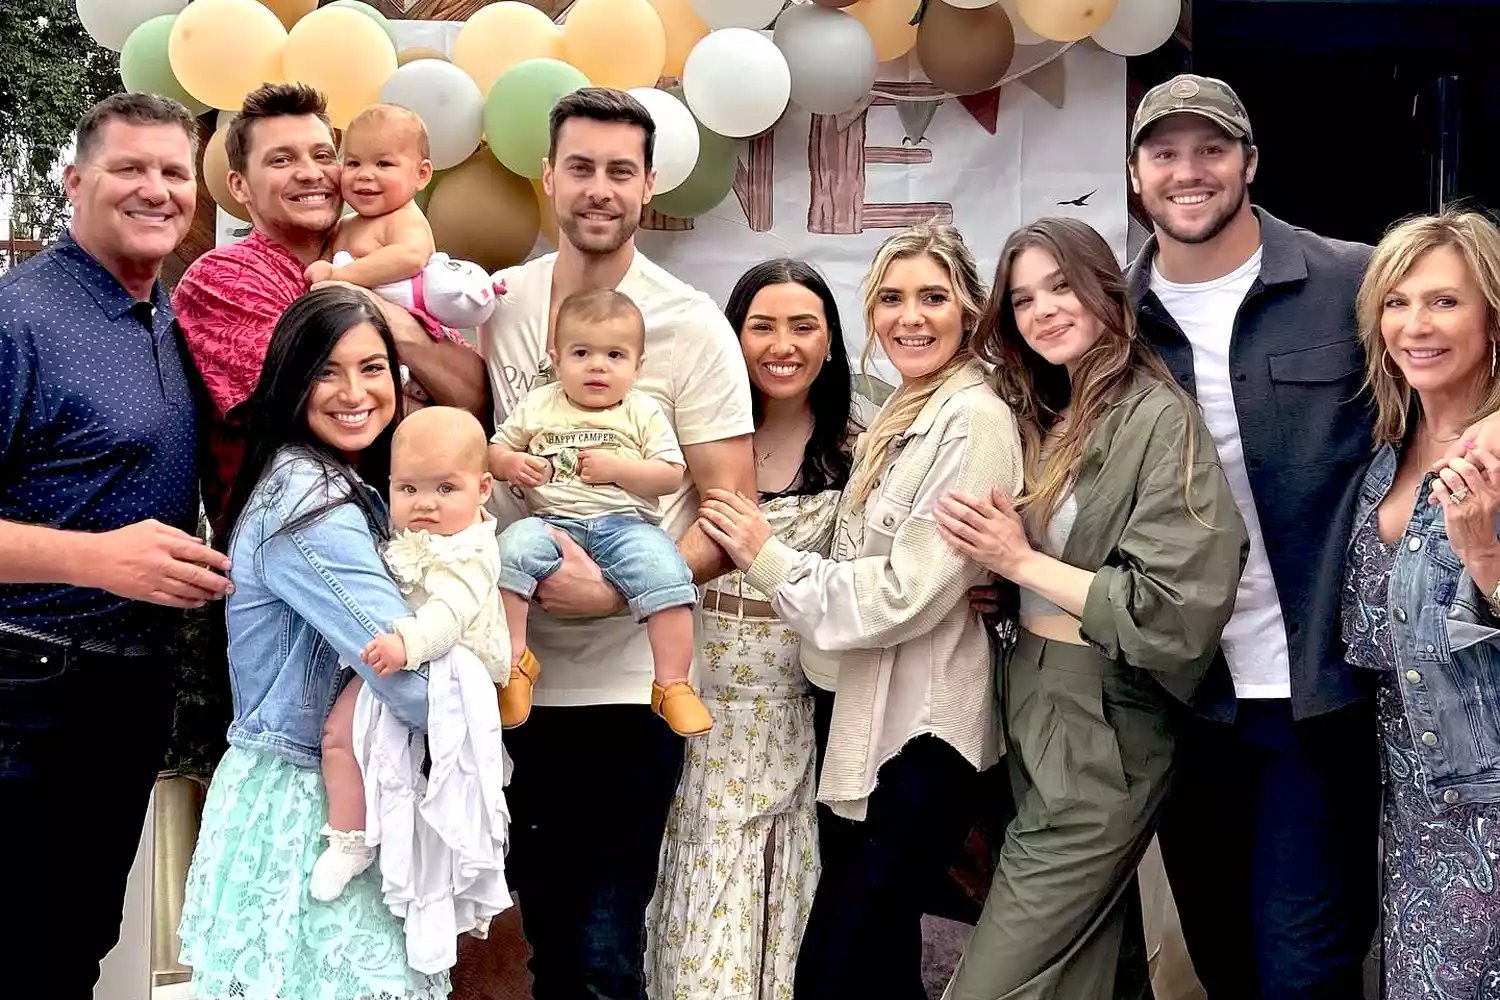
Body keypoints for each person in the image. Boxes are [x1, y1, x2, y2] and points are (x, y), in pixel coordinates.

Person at [1125, 74, 1500, 997]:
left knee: (1304, 964)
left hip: (1320, 694)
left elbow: (1454, 344)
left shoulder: (1353, 280)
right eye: (1164, 153)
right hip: (1184, 693)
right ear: (1134, 175)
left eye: (1211, 149)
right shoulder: (1113, 316)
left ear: (1250, 162)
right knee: (1221, 957)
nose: (1189, 172)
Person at [477, 86, 755, 998]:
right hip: (514, 684)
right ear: (548, 175)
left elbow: (730, 509)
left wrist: (618, 593)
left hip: (634, 686)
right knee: (547, 941)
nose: (600, 188)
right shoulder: (499, 303)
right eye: (583, 167)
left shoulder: (688, 323)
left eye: (621, 172)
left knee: (603, 949)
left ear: (648, 188)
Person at [697, 224, 1023, 1000]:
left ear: (972, 310)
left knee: (837, 967)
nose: (911, 317)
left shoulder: (973, 420)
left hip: (924, 731)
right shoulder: (910, 413)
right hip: (871, 723)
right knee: (875, 961)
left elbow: (904, 592)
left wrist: (763, 553)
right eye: (892, 298)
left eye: (934, 298)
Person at [935, 217, 1247, 999]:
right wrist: (1010, 587)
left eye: (1061, 285)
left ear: (1107, 287)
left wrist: (1021, 560)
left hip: (1102, 726)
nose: (1043, 310)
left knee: (994, 981)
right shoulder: (1060, 409)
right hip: (1035, 703)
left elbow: (1177, 610)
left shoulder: (1157, 417)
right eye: (1022, 298)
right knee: (1082, 972)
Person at [0, 92, 230, 998]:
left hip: (127, 688)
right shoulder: (19, 319)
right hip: (22, 691)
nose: (157, 190)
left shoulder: (165, 318)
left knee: (78, 945)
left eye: (174, 172)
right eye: (130, 168)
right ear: (76, 181)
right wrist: (92, 558)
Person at [177, 285, 450, 1000]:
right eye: (326, 371)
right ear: (290, 381)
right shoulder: (314, 506)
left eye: (372, 368)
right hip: (316, 811)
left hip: (308, 792)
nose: (354, 392)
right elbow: (407, 681)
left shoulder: (333, 484)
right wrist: (496, 692)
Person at [645, 258, 857, 999]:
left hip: (789, 727)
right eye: (761, 325)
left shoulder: (858, 459)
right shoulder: (687, 445)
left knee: (778, 931)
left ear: (830, 342)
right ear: (732, 337)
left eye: (804, 326)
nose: (783, 344)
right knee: (691, 930)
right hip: (687, 716)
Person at [174, 82, 488, 537]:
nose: (311, 174)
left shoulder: (373, 259)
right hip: (289, 550)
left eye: (324, 156)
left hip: (408, 546)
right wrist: (412, 366)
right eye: (282, 160)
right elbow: (306, 405)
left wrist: (368, 303)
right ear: (240, 186)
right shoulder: (224, 278)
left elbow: (475, 398)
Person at [1340, 210, 1500, 1000]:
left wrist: (1487, 559)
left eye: (1444, 302)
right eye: (1397, 303)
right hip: (1414, 818)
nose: (1416, 325)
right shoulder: (1384, 456)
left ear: (1492, 317)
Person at [311, 405, 511, 903]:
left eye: (446, 489)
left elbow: (452, 612)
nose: (425, 504)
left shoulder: (472, 549)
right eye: (409, 489)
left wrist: (408, 646)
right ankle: (352, 836)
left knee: (419, 765)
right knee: (343, 737)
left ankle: (417, 861)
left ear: (482, 489)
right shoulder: (406, 537)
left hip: (450, 663)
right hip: (408, 656)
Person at [489, 288, 711, 735]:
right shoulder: (539, 404)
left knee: (666, 570)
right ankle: (514, 664)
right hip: (551, 524)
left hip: (625, 527)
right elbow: (495, 451)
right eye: (581, 352)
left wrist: (620, 469)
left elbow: (670, 474)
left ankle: (672, 684)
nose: (597, 365)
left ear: (638, 365)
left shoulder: (641, 411)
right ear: (556, 358)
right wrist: (513, 463)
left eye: (614, 354)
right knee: (506, 554)